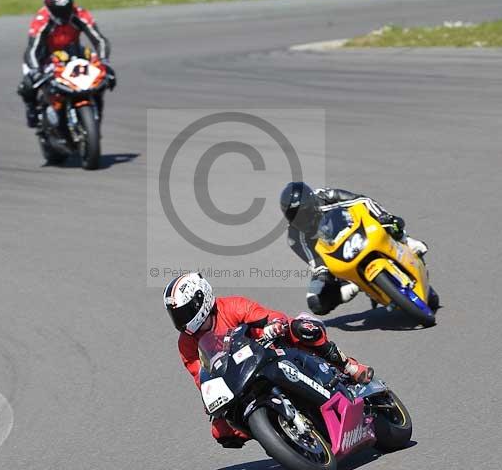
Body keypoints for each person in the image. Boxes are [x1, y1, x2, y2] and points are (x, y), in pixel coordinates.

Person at [163, 271, 374, 448]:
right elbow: (200, 377)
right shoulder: (186, 343)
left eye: (184, 312)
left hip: (269, 351)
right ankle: (279, 435)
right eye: (176, 316)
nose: (181, 321)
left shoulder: (232, 306)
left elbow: (270, 316)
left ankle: (348, 366)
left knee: (302, 329)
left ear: (202, 299)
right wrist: (213, 405)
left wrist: (273, 325)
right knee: (221, 432)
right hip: (238, 378)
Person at [280, 181, 428, 315]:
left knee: (390, 223)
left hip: (355, 231)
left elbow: (362, 201)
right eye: (294, 217)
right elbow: (315, 260)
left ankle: (406, 240)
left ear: (312, 203)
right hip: (333, 258)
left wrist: (384, 217)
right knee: (315, 302)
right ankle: (354, 284)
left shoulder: (326, 196)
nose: (301, 220)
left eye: (303, 213)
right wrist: (324, 276)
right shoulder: (294, 237)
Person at [17, 0, 116, 127]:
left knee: (100, 79)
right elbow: (32, 50)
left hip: (73, 54)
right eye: (58, 11)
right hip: (45, 57)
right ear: (49, 8)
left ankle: (93, 112)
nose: (63, 15)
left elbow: (99, 40)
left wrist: (104, 61)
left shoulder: (79, 14)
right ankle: (32, 109)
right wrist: (35, 71)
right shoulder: (41, 20)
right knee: (28, 83)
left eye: (66, 9)